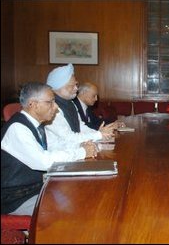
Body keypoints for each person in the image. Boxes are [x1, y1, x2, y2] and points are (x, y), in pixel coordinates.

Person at [1, 82, 98, 215]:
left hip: (37, 189)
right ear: (33, 105)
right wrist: (81, 152)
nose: (56, 107)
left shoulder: (36, 124)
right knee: (73, 210)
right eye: (50, 102)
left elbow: (54, 147)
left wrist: (80, 147)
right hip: (15, 199)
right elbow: (44, 161)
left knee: (83, 195)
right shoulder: (17, 129)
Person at [44, 64, 116, 148]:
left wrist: (98, 133)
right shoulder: (50, 108)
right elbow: (69, 137)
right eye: (72, 86)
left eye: (76, 85)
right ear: (58, 87)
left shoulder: (71, 103)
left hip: (73, 151)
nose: (76, 89)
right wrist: (98, 134)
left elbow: (80, 127)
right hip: (60, 156)